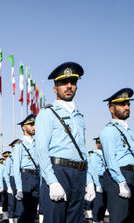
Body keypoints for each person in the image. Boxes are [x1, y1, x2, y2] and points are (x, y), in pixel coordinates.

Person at [35, 62, 95, 223]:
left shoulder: (79, 117)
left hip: (79, 173)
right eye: (63, 83)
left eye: (73, 82)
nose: (69, 86)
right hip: (58, 172)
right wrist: (52, 181)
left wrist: (89, 180)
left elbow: (83, 151)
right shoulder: (47, 114)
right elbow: (41, 150)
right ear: (55, 88)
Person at [100, 88, 134, 222]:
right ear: (111, 109)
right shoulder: (108, 131)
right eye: (122, 104)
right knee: (120, 219)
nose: (126, 107)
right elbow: (110, 159)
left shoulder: (128, 131)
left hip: (130, 175)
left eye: (128, 103)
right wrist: (121, 182)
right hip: (119, 176)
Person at [13, 114, 40, 223]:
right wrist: (19, 187)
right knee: (24, 212)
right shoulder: (20, 145)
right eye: (31, 125)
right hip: (25, 178)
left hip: (36, 177)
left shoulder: (37, 143)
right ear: (24, 127)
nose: (34, 127)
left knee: (33, 212)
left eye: (35, 124)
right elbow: (16, 167)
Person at [90, 138, 107, 223]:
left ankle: (101, 219)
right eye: (98, 143)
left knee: (104, 201)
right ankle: (96, 220)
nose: (99, 145)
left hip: (106, 179)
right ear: (96, 144)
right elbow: (93, 170)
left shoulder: (106, 154)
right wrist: (97, 184)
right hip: (99, 179)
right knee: (98, 202)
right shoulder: (94, 155)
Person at [4, 139, 21, 223]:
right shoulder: (10, 159)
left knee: (20, 202)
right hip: (13, 179)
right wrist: (9, 186)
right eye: (16, 146)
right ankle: (11, 219)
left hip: (21, 179)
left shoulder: (22, 156)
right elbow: (6, 173)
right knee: (12, 202)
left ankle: (18, 219)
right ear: (13, 148)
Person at [0, 151, 11, 220]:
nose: (6, 158)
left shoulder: (12, 163)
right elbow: (0, 177)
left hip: (11, 181)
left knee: (11, 199)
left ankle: (11, 213)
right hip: (4, 182)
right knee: (5, 199)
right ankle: (5, 215)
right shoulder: (2, 165)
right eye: (5, 157)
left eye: (8, 156)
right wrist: (1, 186)